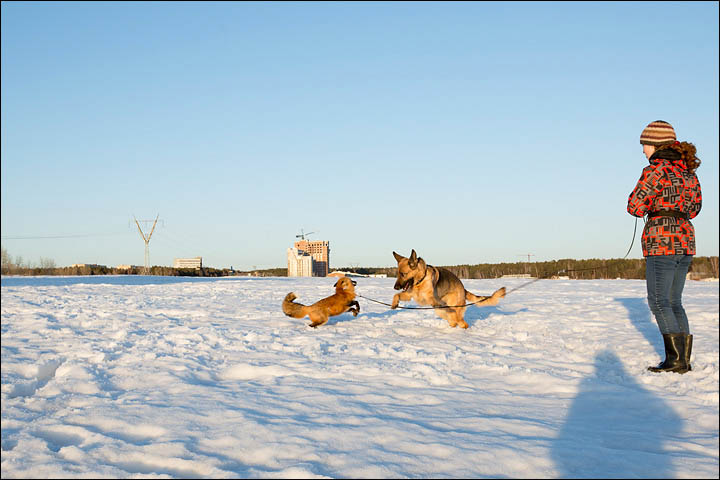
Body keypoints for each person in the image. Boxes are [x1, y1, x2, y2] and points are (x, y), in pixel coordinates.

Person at [627, 120, 702, 374]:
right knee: (674, 301)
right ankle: (683, 360)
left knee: (659, 302)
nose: (643, 151)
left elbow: (634, 206)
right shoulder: (688, 171)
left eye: (644, 145)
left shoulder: (654, 171)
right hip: (685, 240)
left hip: (661, 242)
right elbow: (695, 209)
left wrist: (655, 209)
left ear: (656, 145)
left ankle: (676, 361)